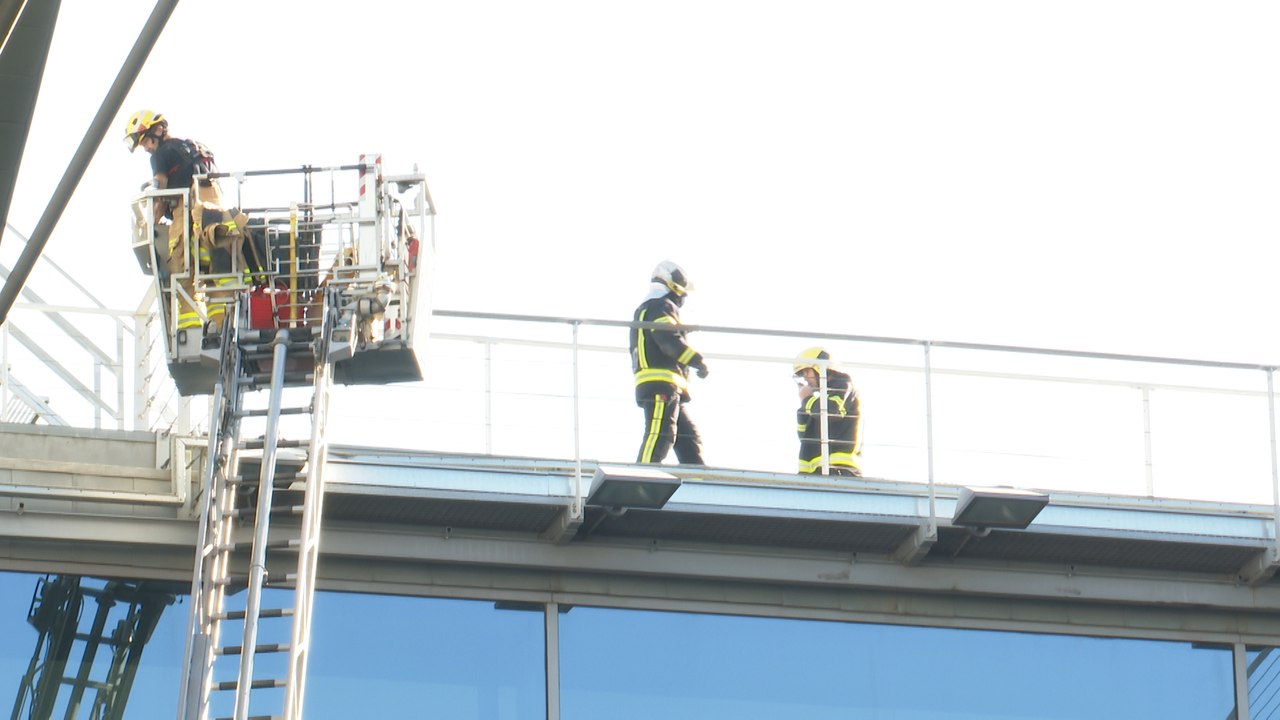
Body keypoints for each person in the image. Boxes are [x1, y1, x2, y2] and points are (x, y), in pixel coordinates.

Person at [124, 110, 238, 335]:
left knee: (181, 273)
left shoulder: (159, 155)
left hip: (187, 214)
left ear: (158, 130)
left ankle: (191, 332)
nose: (146, 147)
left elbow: (160, 187)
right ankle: (220, 325)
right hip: (216, 217)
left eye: (146, 140)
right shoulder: (194, 146)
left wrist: (152, 223)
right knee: (217, 273)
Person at [630, 260, 709, 465]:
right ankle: (641, 477)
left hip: (666, 387)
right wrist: (696, 360)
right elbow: (667, 341)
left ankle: (699, 483)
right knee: (660, 436)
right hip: (661, 385)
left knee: (688, 440)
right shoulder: (662, 306)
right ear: (675, 288)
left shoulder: (649, 308)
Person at [793, 346, 863, 477]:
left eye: (807, 371)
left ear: (820, 368)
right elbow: (803, 435)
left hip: (840, 472)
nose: (805, 378)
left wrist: (807, 399)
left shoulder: (843, 385)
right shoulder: (818, 401)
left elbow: (831, 412)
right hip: (815, 473)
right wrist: (804, 406)